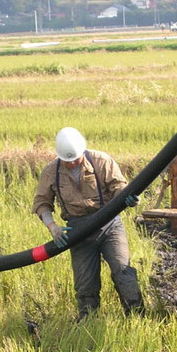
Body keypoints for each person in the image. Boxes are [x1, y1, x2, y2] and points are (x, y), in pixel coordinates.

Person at [33, 127, 144, 319]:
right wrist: (53, 227)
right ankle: (89, 321)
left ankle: (136, 317)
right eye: (67, 161)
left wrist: (127, 198)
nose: (72, 163)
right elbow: (41, 203)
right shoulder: (51, 171)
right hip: (78, 231)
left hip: (109, 224)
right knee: (85, 284)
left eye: (75, 158)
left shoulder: (101, 160)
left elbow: (119, 186)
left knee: (123, 272)